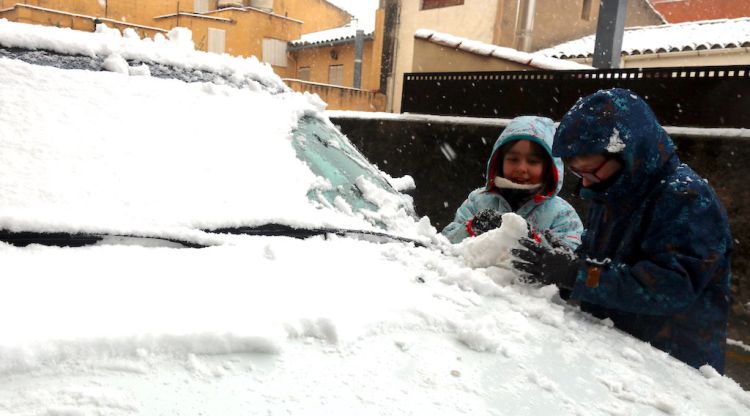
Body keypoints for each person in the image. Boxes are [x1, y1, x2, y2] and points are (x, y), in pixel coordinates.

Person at [512, 88, 732, 373]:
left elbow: (671, 286)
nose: (587, 184)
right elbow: (603, 260)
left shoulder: (686, 199)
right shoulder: (612, 190)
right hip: (617, 354)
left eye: (592, 171)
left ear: (629, 153)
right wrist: (561, 258)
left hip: (673, 368)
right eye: (580, 174)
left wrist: (576, 274)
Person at [442, 116, 582, 251]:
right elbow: (446, 243)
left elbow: (571, 257)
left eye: (533, 161)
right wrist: (471, 228)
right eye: (513, 159)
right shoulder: (478, 201)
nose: (521, 168)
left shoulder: (562, 214)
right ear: (500, 161)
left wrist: (534, 241)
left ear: (548, 168)